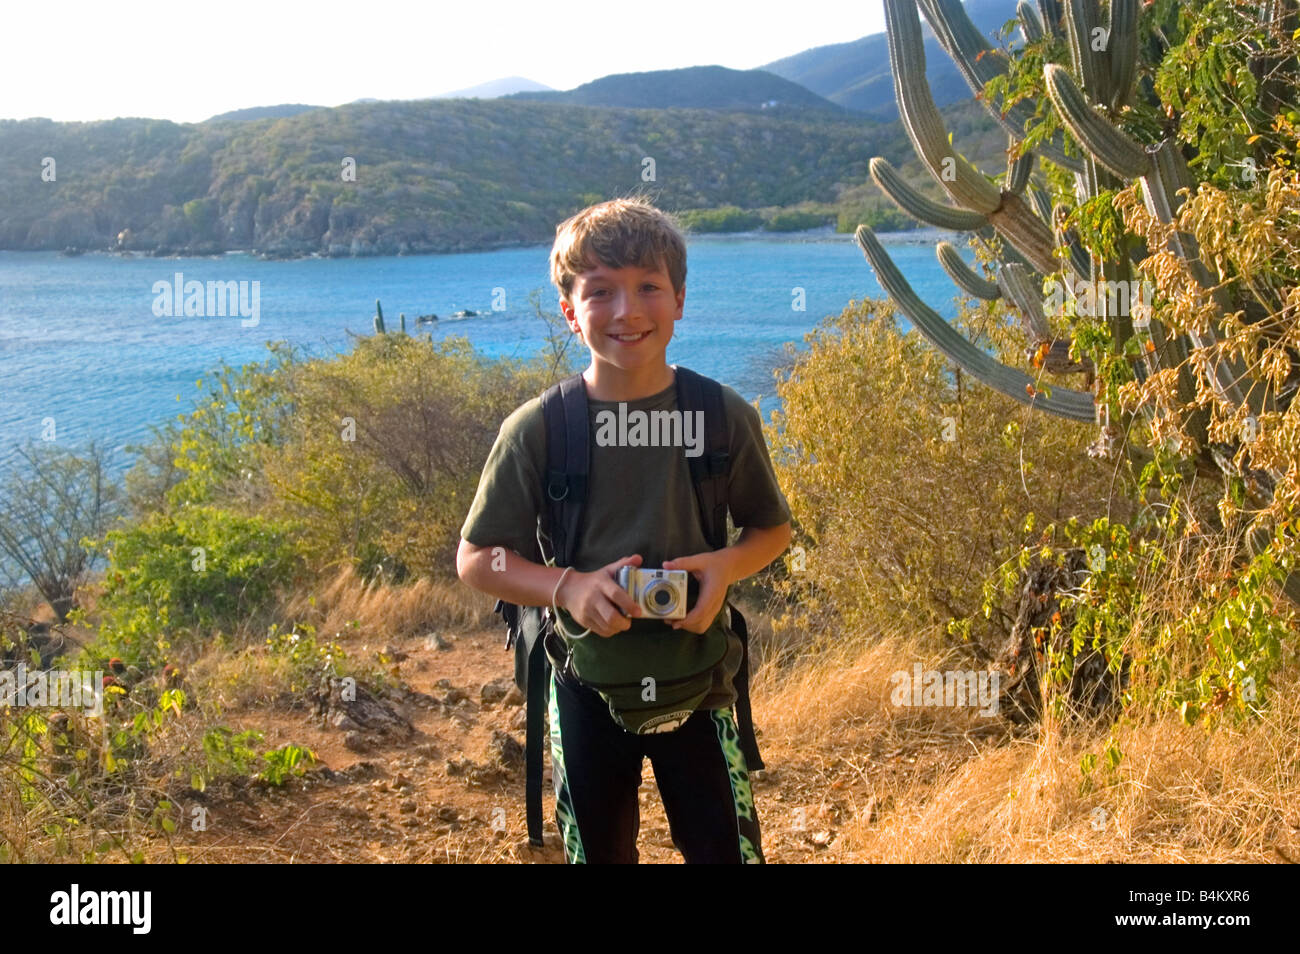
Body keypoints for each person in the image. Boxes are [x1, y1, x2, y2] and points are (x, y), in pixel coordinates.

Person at [455, 196, 792, 863]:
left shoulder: (721, 415)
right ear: (569, 311)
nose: (627, 311)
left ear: (680, 300)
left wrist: (723, 569)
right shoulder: (540, 430)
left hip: (703, 686)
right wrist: (570, 589)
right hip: (584, 685)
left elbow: (771, 530)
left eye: (648, 288)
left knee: (725, 851)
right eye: (600, 291)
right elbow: (476, 558)